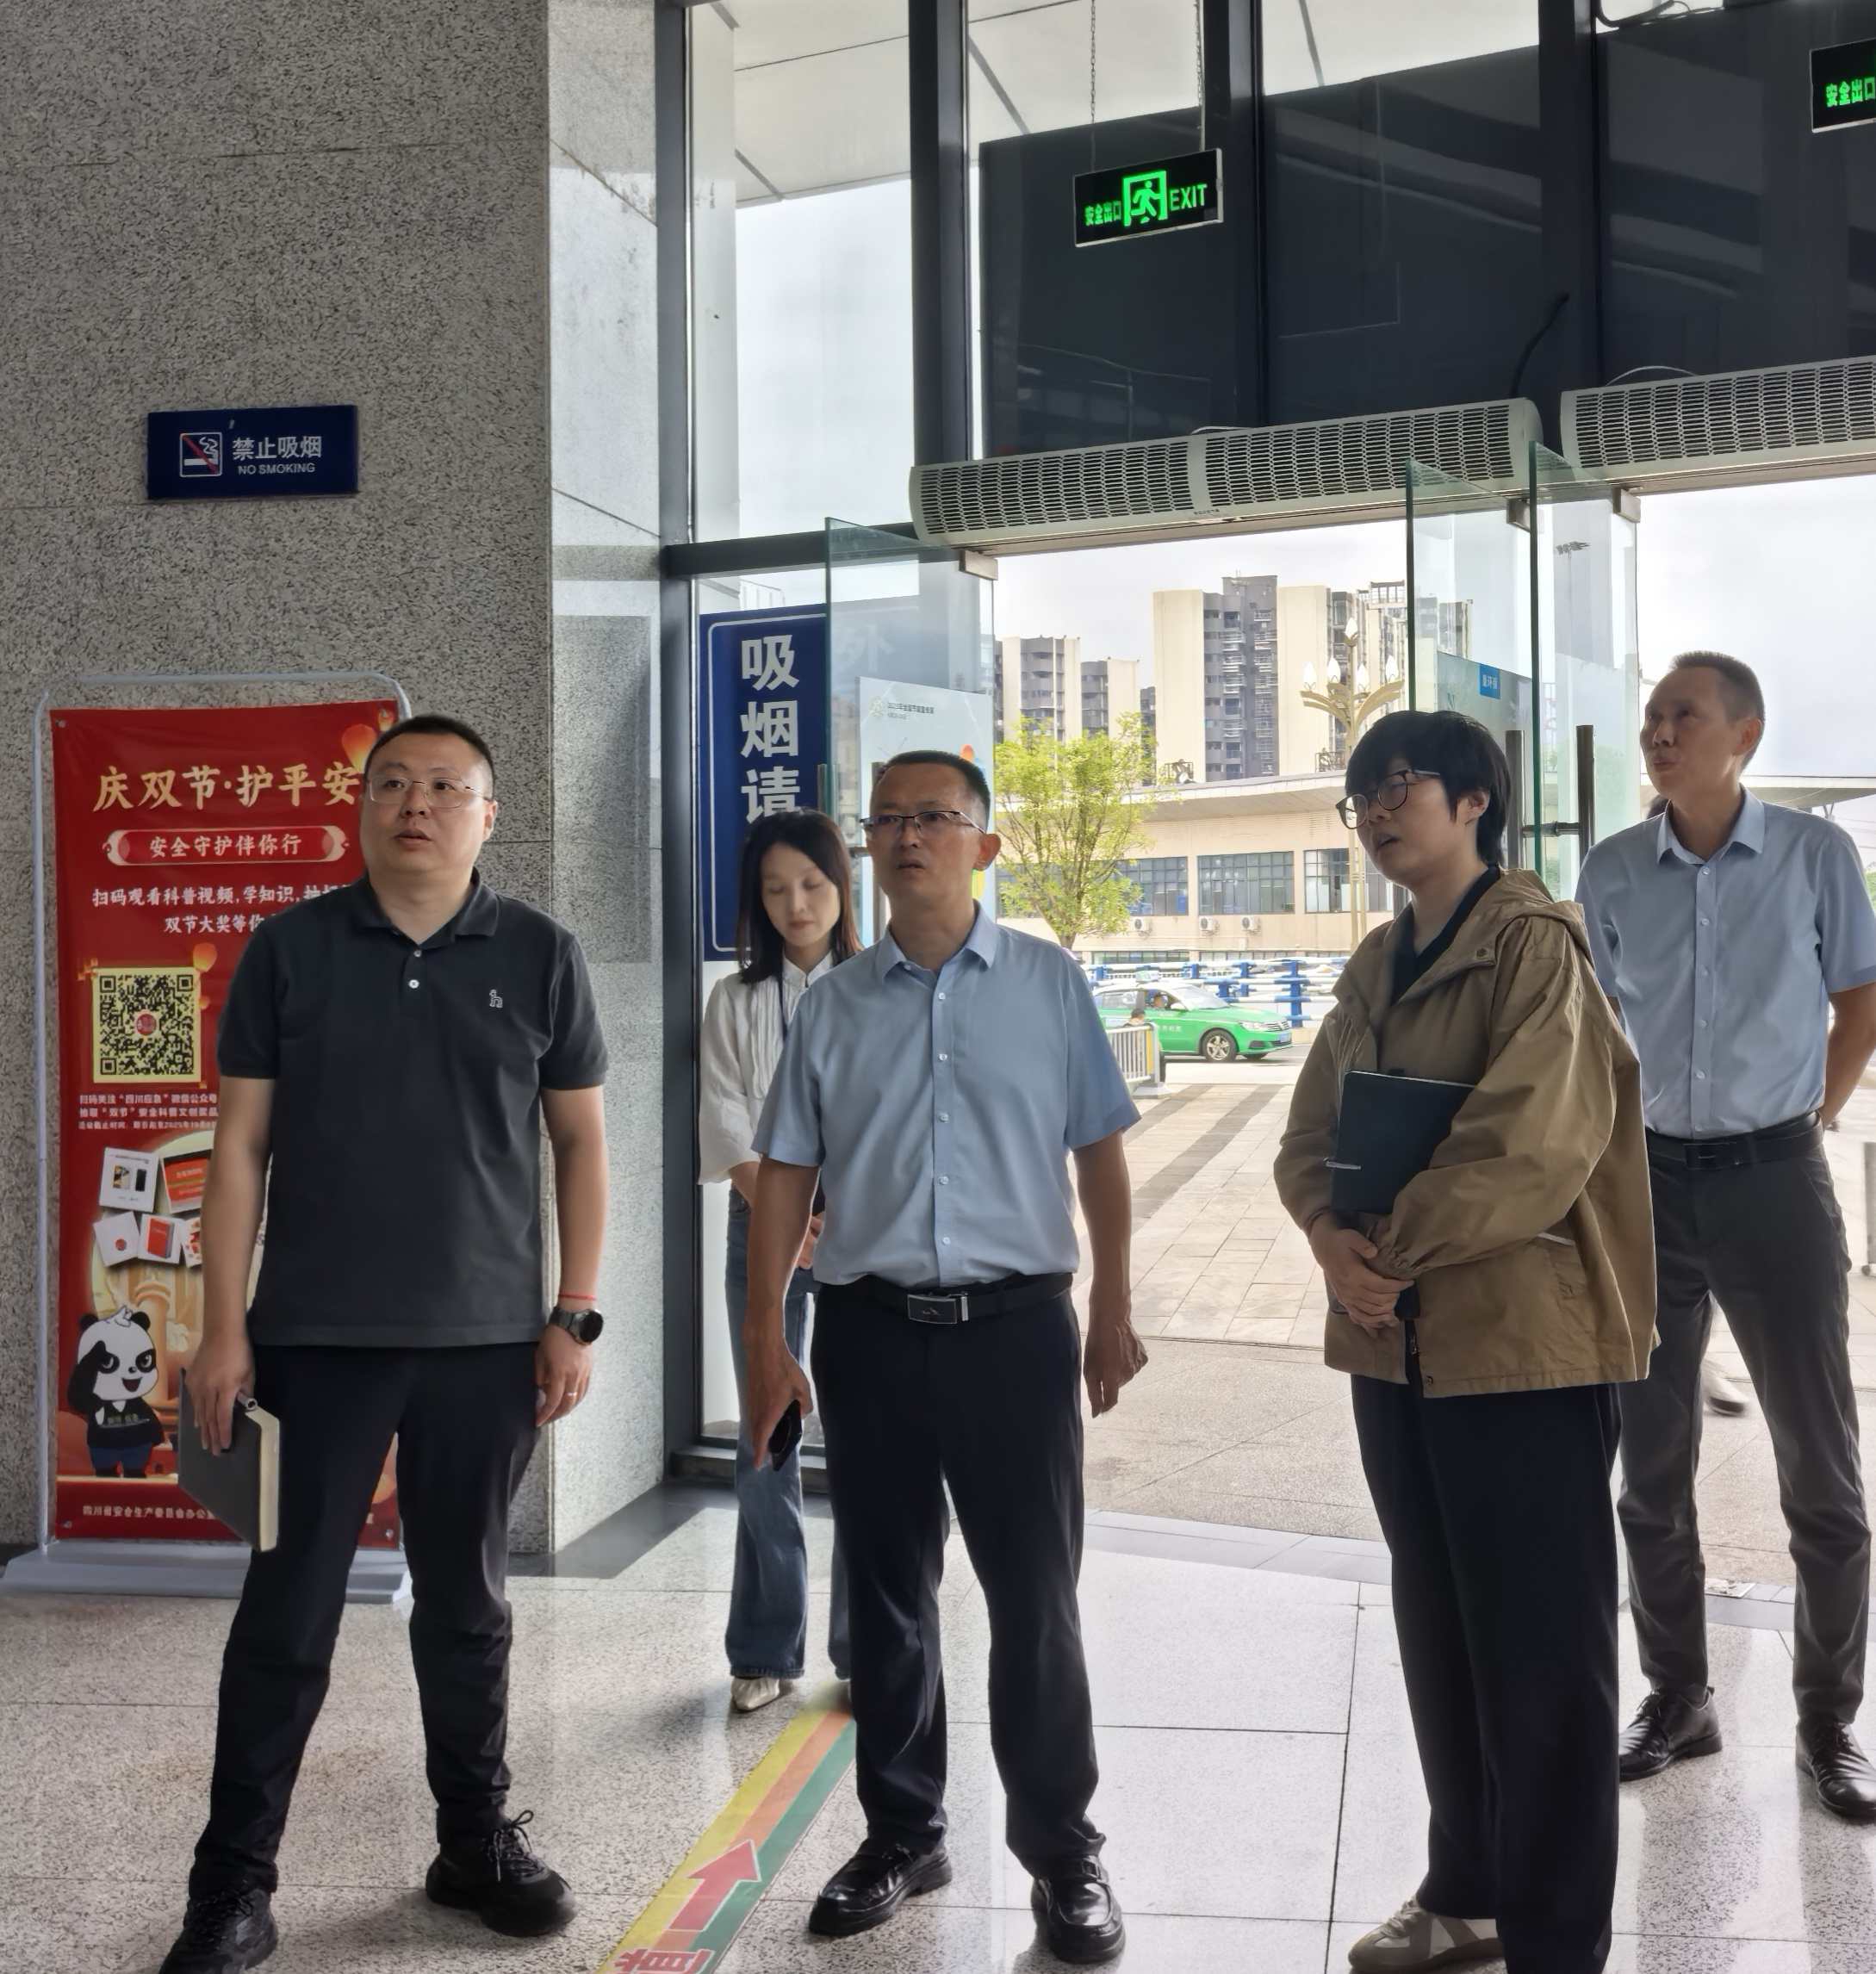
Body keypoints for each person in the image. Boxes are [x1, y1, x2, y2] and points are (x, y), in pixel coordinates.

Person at [161, 715, 611, 1974]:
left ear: (488, 815)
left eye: (446, 787)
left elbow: (580, 1140)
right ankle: (232, 1883)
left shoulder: (541, 953)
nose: (417, 804)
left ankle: (472, 1844)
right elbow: (240, 1147)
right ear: (360, 807)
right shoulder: (290, 948)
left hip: (488, 1344)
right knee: (286, 1616)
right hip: (314, 1339)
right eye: (393, 784)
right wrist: (222, 1327)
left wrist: (574, 1311)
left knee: (467, 1610)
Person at [742, 749, 1147, 1965]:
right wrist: (766, 1340)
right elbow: (784, 1176)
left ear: (985, 843)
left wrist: (1113, 1304)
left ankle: (1063, 1854)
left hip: (1018, 1331)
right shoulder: (833, 1006)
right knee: (885, 1599)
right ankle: (903, 1834)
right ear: (868, 843)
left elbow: (1100, 1152)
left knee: (1036, 1600)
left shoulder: (1047, 983)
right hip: (868, 1331)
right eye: (888, 819)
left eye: (934, 816)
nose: (908, 836)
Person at [1276, 710, 1654, 1974]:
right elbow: (1308, 1136)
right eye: (1362, 798)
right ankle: (1469, 1893)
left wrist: (1384, 1251)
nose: (1378, 814)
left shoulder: (1533, 946)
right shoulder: (1373, 964)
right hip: (1395, 1348)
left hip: (1520, 1348)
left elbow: (1532, 1142)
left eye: (1400, 786)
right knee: (1439, 1632)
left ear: (1474, 800)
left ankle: (1555, 1944)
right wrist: (1326, 1238)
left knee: (1543, 1659)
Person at [1577, 653, 1876, 1817]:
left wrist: (1816, 1113)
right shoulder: (1612, 870)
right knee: (1649, 1468)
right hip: (1647, 1185)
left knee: (1822, 1470)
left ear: (1742, 734)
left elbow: (1861, 996)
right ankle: (1678, 1698)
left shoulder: (1813, 856)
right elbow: (1596, 1016)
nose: (1658, 733)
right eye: (1652, 717)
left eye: (1681, 716)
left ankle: (1828, 1720)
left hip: (1774, 1181)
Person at [698, 808, 857, 1712]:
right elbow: (726, 1119)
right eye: (774, 889)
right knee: (767, 1432)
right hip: (760, 1215)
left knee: (867, 1433)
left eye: (812, 884)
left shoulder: (876, 985)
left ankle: (866, 1648)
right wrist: (786, 1216)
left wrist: (835, 1213)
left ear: (841, 887)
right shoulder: (734, 998)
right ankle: (764, 1649)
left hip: (866, 1223)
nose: (796, 904)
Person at [1643, 797, 1753, 1424]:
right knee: (1663, 1300)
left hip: (1752, 1149)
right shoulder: (1630, 904)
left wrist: (1814, 1114)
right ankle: (1700, 1366)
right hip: (1651, 1144)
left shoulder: (1738, 924)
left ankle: (1706, 1363)